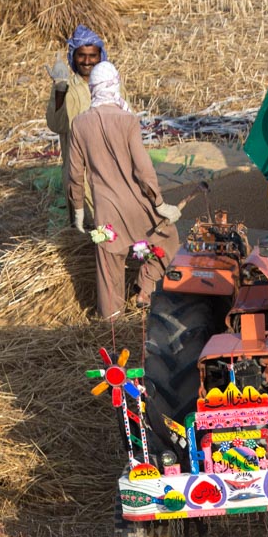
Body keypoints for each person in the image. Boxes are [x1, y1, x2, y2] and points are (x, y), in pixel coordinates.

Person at [65, 61, 182, 319]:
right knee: (168, 239)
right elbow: (143, 168)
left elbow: (74, 173)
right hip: (137, 206)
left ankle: (112, 325)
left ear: (93, 88)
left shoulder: (79, 124)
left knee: (109, 270)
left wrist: (79, 210)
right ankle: (146, 289)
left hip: (106, 213)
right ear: (115, 85)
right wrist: (160, 203)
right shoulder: (127, 119)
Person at [44, 25, 106, 205]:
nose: (87, 61)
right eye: (81, 55)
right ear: (73, 57)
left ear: (100, 57)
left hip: (111, 170)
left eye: (92, 56)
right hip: (80, 173)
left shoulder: (111, 85)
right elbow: (56, 125)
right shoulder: (67, 87)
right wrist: (59, 88)